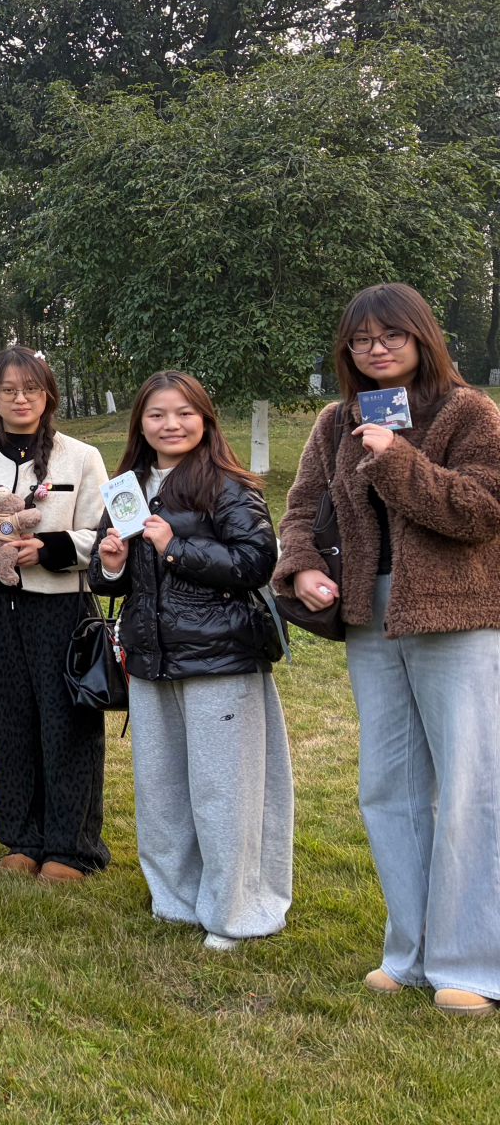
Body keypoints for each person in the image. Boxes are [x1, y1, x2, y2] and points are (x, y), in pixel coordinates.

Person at [275, 283, 500, 1013]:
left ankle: (472, 966)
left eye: (390, 336)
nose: (375, 349)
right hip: (371, 621)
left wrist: (396, 458)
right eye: (360, 339)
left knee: (468, 791)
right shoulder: (334, 420)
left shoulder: (470, 412)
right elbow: (303, 507)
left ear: (421, 338)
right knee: (388, 788)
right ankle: (407, 952)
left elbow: (482, 511)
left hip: (457, 618)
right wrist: (304, 566)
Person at [92, 371, 289, 952]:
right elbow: (120, 579)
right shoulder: (126, 487)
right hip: (152, 659)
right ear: (140, 424)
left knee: (225, 790)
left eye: (183, 413)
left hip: (220, 657)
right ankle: (175, 900)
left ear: (204, 419)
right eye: (157, 414)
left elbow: (256, 561)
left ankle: (237, 911)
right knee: (161, 788)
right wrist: (108, 563)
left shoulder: (227, 484)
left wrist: (174, 547)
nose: (170, 424)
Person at [0, 348, 108, 881]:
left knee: (67, 725)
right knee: (8, 721)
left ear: (48, 396)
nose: (20, 399)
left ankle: (70, 847)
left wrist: (52, 549)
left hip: (60, 607)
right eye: (9, 389)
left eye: (31, 389)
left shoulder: (80, 457)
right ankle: (20, 836)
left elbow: (101, 534)